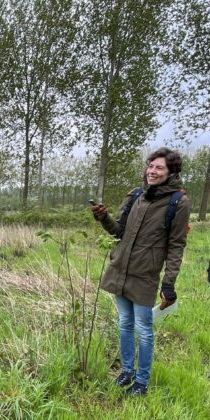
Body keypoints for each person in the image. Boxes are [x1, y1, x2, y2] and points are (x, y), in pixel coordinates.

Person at [90, 147, 190, 396]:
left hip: (145, 275)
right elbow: (119, 232)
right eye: (150, 166)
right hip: (120, 269)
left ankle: (142, 382)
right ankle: (127, 371)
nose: (152, 171)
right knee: (124, 323)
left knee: (144, 329)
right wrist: (103, 218)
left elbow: (177, 246)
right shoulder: (137, 195)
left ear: (171, 172)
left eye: (159, 168)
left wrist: (169, 283)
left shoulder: (178, 202)